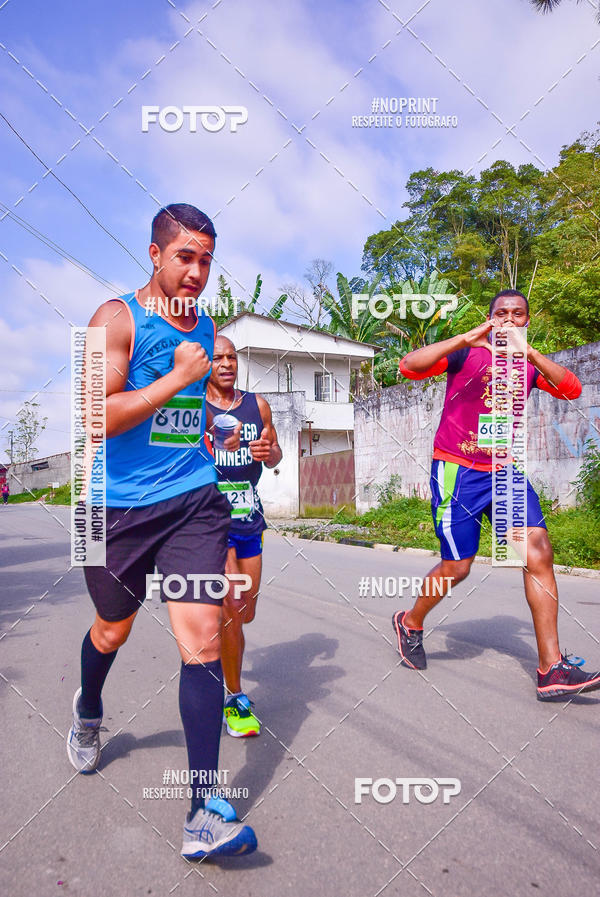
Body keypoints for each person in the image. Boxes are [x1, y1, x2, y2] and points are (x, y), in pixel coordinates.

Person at [66, 203, 257, 859]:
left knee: (202, 636)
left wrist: (203, 422)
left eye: (207, 259)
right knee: (111, 626)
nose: (198, 272)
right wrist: (176, 376)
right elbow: (94, 416)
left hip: (192, 500)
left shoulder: (204, 324)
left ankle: (202, 812)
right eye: (185, 256)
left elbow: (187, 408)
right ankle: (89, 706)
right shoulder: (110, 318)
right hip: (107, 508)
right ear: (154, 254)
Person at [392, 289, 600, 700]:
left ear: (526, 321)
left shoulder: (529, 364)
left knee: (537, 552)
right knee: (459, 566)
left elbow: (572, 390)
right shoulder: (465, 354)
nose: (508, 319)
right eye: (500, 313)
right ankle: (410, 622)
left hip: (504, 472)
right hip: (457, 469)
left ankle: (551, 669)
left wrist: (532, 355)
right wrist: (467, 338)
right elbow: (408, 366)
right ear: (489, 318)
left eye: (517, 314)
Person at [206, 335, 282, 736]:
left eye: (232, 357)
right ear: (207, 365)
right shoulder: (195, 409)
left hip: (250, 518)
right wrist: (213, 447)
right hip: (211, 523)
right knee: (232, 605)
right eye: (217, 357)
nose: (226, 363)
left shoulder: (258, 405)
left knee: (245, 612)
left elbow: (277, 453)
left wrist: (269, 452)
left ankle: (221, 651)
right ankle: (234, 698)